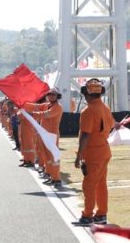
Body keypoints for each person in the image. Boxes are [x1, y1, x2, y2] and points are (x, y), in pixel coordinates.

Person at [72, 79, 119, 226]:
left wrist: (79, 156)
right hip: (104, 150)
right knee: (101, 184)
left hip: (93, 152)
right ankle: (101, 214)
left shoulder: (88, 110)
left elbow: (85, 134)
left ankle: (87, 215)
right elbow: (112, 125)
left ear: (87, 94)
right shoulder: (105, 107)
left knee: (89, 185)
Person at [24, 88, 63, 187]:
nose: (51, 96)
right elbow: (34, 106)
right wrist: (22, 104)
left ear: (57, 96)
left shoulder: (58, 107)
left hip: (52, 135)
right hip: (44, 134)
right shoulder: (46, 105)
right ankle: (50, 174)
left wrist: (32, 114)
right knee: (46, 156)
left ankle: (56, 179)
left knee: (53, 157)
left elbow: (46, 114)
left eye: (53, 95)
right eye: (49, 94)